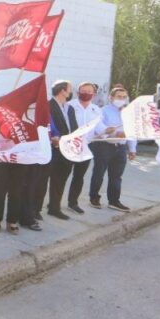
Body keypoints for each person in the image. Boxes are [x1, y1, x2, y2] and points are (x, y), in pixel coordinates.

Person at [88, 86, 136, 212]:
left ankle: (114, 201)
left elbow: (132, 131)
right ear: (111, 98)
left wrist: (132, 149)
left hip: (121, 148)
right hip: (104, 146)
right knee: (99, 173)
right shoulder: (103, 111)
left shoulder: (129, 113)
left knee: (116, 176)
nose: (122, 99)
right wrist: (113, 134)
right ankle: (94, 198)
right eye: (119, 97)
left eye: (124, 97)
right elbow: (99, 128)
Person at [41, 80, 77, 220]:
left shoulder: (70, 108)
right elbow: (46, 127)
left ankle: (54, 207)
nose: (71, 92)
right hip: (53, 149)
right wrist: (54, 139)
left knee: (60, 180)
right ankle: (36, 210)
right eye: (70, 89)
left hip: (67, 149)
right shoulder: (48, 106)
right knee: (43, 181)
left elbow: (73, 127)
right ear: (62, 90)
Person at [68, 81, 102, 213]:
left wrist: (107, 132)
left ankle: (73, 202)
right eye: (83, 91)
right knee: (61, 176)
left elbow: (99, 128)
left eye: (89, 92)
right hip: (69, 146)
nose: (86, 94)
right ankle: (54, 205)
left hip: (86, 147)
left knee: (79, 176)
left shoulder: (96, 110)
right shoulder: (69, 106)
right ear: (77, 92)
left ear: (93, 94)